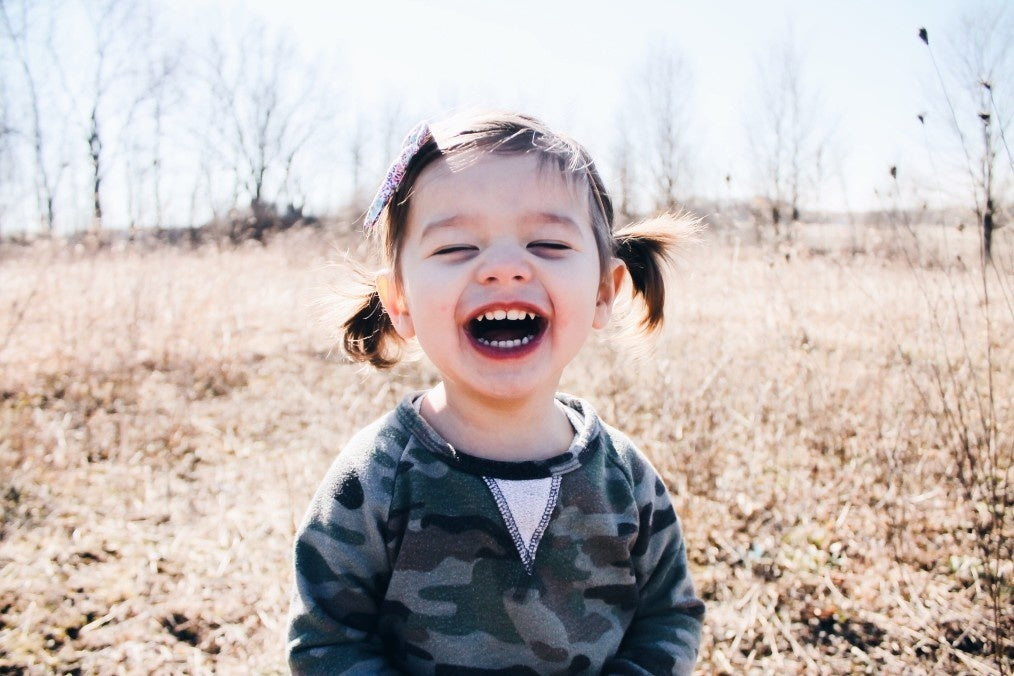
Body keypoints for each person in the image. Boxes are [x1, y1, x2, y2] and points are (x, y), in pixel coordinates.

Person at [287, 111, 704, 674]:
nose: (505, 268)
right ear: (400, 300)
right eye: (456, 247)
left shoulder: (624, 479)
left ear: (605, 290)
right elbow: (327, 642)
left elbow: (669, 616)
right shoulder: (376, 478)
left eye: (548, 242)